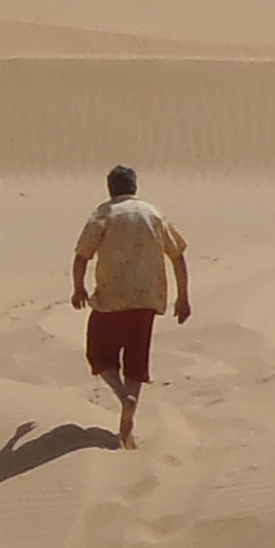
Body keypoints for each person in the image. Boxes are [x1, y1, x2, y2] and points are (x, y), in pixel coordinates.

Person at [69, 163, 190, 449]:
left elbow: (82, 255)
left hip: (111, 298)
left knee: (99, 355)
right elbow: (177, 256)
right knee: (136, 361)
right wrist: (183, 297)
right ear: (134, 187)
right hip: (147, 299)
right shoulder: (153, 213)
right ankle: (127, 422)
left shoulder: (104, 213)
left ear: (110, 188)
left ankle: (124, 396)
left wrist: (79, 288)